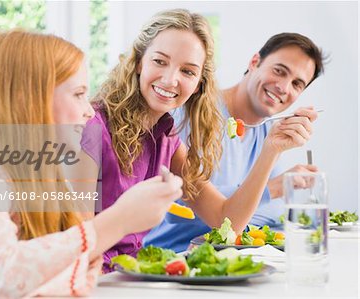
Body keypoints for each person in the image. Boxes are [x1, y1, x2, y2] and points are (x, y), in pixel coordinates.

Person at [0, 30, 183, 298]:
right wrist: (119, 220)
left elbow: (71, 278)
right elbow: (3, 277)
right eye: (78, 94)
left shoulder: (48, 179)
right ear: (29, 101)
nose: (89, 110)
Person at [81, 9, 318, 272]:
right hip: (91, 278)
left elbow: (225, 220)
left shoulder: (167, 138)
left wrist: (271, 150)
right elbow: (70, 239)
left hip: (128, 276)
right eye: (160, 61)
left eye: (188, 71)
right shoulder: (92, 126)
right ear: (139, 62)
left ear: (198, 84)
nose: (171, 79)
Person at [143, 32, 326, 252]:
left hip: (231, 259)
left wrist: (268, 193)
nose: (284, 87)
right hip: (171, 256)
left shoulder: (269, 131)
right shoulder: (191, 112)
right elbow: (178, 209)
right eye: (279, 71)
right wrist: (272, 189)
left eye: (297, 84)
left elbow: (272, 213)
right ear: (254, 62)